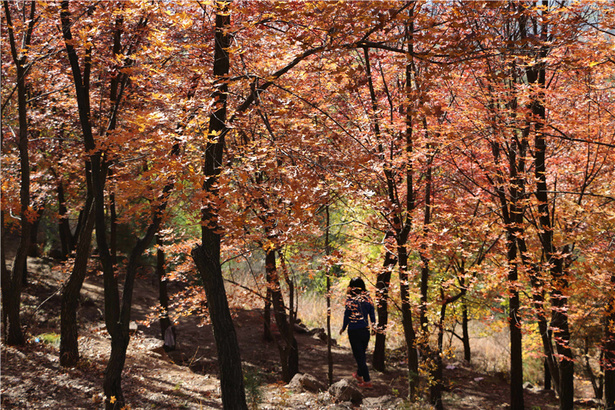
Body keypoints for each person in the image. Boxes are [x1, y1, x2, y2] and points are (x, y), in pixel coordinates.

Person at [339, 277, 376, 388]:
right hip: (365, 331)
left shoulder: (350, 300)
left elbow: (347, 316)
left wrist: (344, 327)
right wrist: (373, 327)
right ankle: (359, 375)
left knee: (359, 357)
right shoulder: (368, 299)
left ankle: (367, 382)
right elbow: (372, 314)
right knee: (362, 355)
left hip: (354, 331)